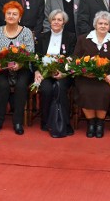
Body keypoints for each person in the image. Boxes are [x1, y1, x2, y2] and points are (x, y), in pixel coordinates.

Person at [0, 1, 35, 135]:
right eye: (9, 13)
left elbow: (30, 53)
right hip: (1, 68)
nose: (11, 16)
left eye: (15, 14)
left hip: (22, 68)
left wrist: (20, 64)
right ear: (4, 16)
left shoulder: (26, 32)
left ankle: (18, 121)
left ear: (20, 17)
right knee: (3, 85)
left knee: (21, 86)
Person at [74, 11, 110, 138]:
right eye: (100, 23)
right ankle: (91, 123)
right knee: (84, 91)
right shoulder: (83, 39)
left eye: (106, 24)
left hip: (107, 78)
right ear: (95, 24)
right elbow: (76, 58)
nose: (103, 26)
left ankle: (100, 123)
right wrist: (84, 71)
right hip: (86, 77)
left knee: (104, 92)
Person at [34, 9, 76, 137]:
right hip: (45, 73)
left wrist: (63, 73)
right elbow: (36, 57)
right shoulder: (42, 37)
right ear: (50, 21)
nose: (56, 22)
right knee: (46, 89)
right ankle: (46, 120)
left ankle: (65, 123)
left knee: (59, 88)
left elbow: (73, 58)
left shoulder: (71, 37)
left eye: (59, 20)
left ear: (64, 22)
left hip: (63, 74)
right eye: (54, 19)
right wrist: (37, 71)